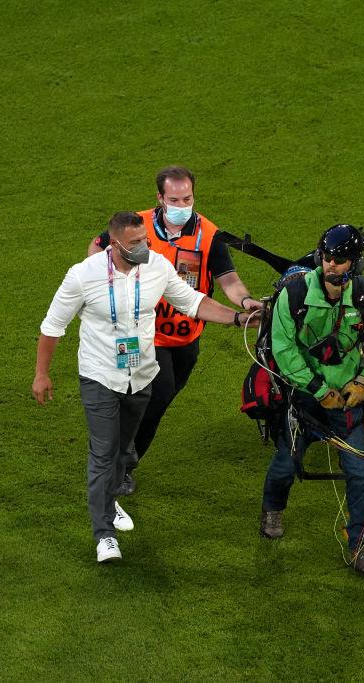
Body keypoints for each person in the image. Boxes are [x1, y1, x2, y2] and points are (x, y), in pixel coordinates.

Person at [34, 211, 259, 563]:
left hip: (141, 375)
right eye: (136, 243)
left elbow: (193, 301)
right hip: (100, 376)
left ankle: (110, 500)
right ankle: (104, 534)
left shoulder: (156, 267)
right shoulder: (83, 276)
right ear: (115, 243)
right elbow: (52, 327)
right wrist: (42, 374)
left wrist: (237, 317)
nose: (144, 247)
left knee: (122, 451)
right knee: (104, 452)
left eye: (146, 240)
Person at [87, 166, 262, 495]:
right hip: (139, 333)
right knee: (158, 389)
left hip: (185, 336)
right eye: (174, 199)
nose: (182, 204)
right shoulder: (135, 228)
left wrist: (247, 301)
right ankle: (118, 459)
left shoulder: (208, 235)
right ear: (159, 198)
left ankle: (122, 461)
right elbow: (97, 247)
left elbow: (229, 280)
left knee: (159, 400)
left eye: (188, 198)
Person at [260, 224, 364, 582]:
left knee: (359, 473)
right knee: (285, 463)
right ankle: (272, 509)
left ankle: (360, 548)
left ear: (355, 263)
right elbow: (283, 348)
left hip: (350, 403)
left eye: (339, 259)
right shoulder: (292, 295)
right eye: (326, 257)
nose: (330, 265)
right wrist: (318, 389)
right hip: (306, 400)